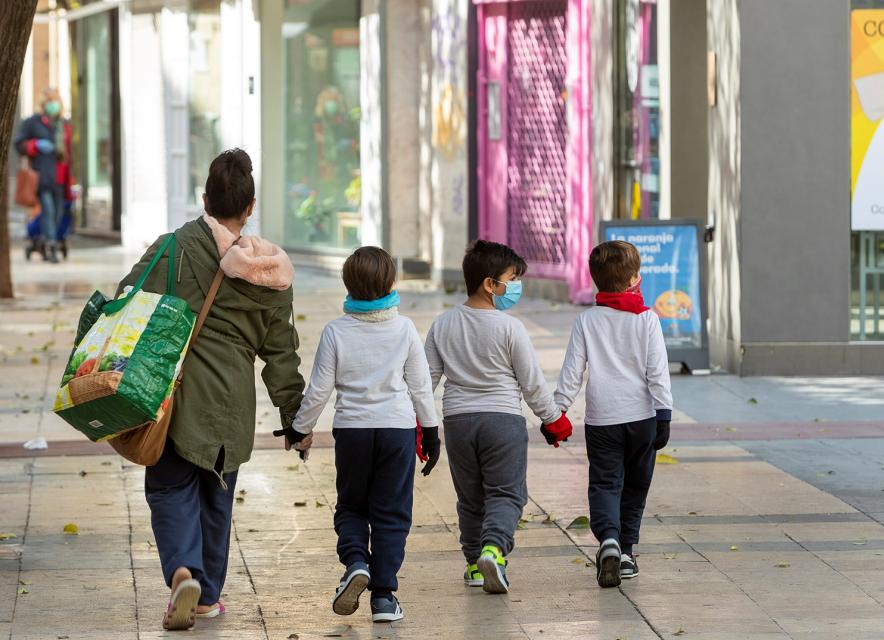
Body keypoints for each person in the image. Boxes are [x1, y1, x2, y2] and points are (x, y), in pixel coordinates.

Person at [116, 149, 305, 630]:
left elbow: (127, 301)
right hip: (231, 403)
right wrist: (294, 418)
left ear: (205, 199)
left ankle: (183, 570)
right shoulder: (271, 272)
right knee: (217, 496)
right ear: (250, 206)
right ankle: (207, 597)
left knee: (169, 487)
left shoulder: (175, 247)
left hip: (175, 397)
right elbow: (280, 351)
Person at [286, 246, 440, 623]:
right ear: (390, 282)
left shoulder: (336, 331)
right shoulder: (404, 328)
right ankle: (384, 596)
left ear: (347, 284)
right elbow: (420, 387)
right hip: (398, 431)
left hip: (353, 432)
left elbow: (319, 390)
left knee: (352, 504)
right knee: (391, 512)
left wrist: (300, 429)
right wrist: (432, 434)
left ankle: (356, 561)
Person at [423, 240, 572, 594]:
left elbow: (424, 381)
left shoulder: (443, 324)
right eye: (512, 278)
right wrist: (553, 421)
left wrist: (417, 423)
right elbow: (532, 384)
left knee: (470, 498)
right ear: (490, 284)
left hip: (458, 422)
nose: (516, 286)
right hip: (502, 420)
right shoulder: (510, 328)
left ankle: (475, 564)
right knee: (506, 494)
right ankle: (494, 549)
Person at [552, 240, 673, 588]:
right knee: (635, 486)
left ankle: (608, 540)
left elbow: (571, 373)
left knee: (605, 483)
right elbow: (657, 371)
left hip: (602, 419)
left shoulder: (587, 320)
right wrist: (664, 413)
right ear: (634, 278)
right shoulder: (647, 319)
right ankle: (627, 553)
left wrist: (557, 411)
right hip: (643, 418)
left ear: (595, 281)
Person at [15, 87, 72, 262]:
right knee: (47, 211)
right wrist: (35, 145)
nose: (53, 105)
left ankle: (47, 241)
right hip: (41, 176)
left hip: (60, 178)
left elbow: (69, 152)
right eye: (50, 102)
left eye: (56, 101)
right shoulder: (33, 122)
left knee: (58, 213)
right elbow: (19, 144)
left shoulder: (64, 124)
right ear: (43, 104)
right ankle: (51, 247)